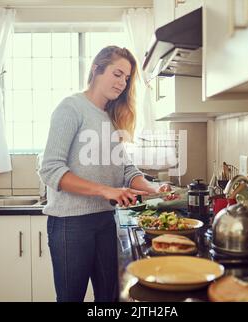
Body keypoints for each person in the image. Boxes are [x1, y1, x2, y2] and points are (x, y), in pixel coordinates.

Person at [39, 46, 171, 302]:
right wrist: (106, 190)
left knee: (110, 299)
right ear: (96, 69)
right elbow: (51, 169)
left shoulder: (110, 118)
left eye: (126, 78)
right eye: (117, 73)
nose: (122, 83)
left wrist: (153, 189)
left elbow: (126, 170)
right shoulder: (71, 108)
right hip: (70, 224)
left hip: (106, 221)